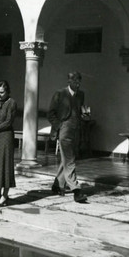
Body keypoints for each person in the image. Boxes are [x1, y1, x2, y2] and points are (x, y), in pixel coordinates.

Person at [47, 71, 88, 202]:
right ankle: (76, 190)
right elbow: (51, 114)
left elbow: (80, 110)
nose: (78, 83)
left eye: (79, 80)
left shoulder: (81, 95)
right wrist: (59, 126)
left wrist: (84, 116)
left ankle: (57, 185)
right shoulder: (59, 94)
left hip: (76, 130)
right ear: (69, 81)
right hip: (64, 131)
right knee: (70, 160)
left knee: (67, 158)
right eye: (75, 80)